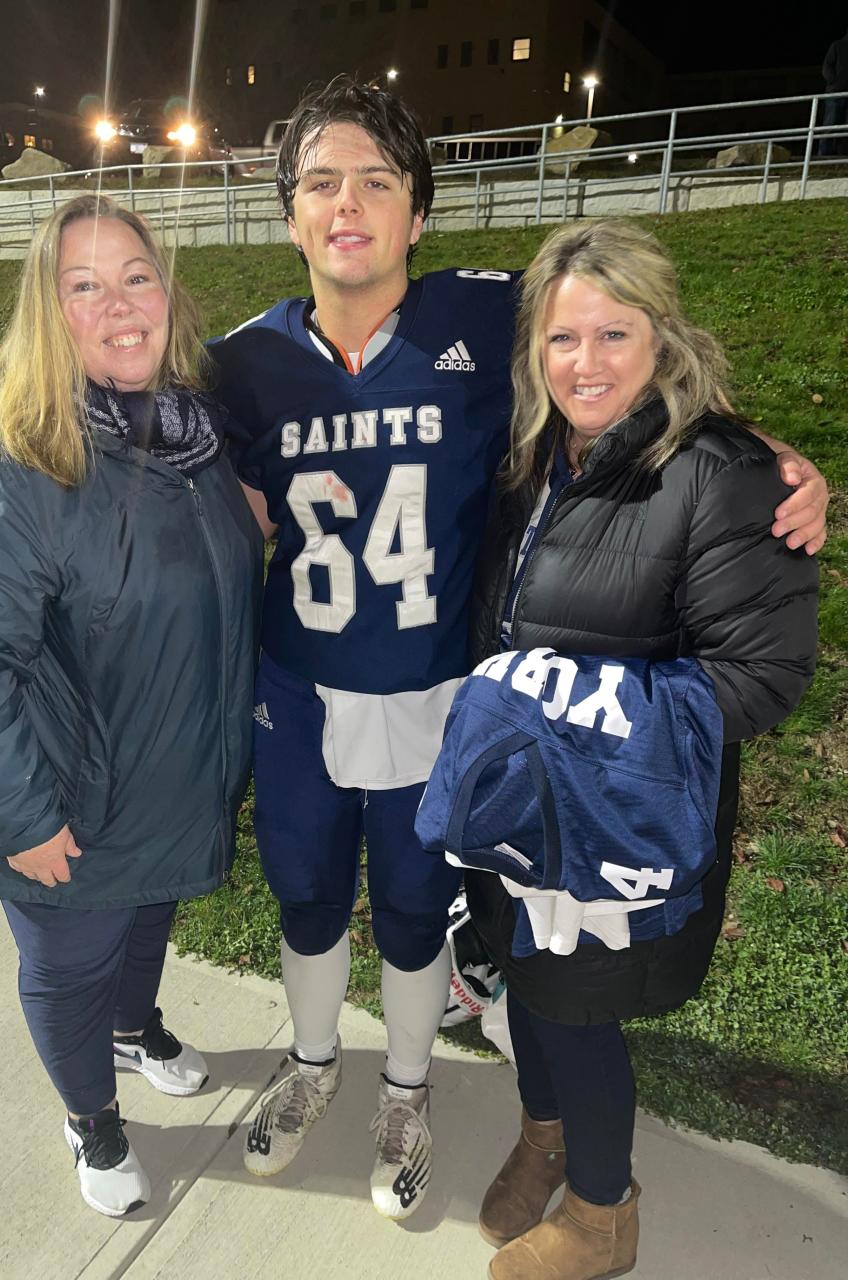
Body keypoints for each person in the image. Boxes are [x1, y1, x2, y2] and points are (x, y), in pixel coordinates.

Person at [208, 76, 828, 1221]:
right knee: (299, 889)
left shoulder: (485, 318)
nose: (349, 204)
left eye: (378, 182)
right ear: (287, 211)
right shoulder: (238, 362)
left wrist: (772, 457)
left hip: (441, 686)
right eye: (322, 182)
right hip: (296, 684)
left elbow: (618, 360)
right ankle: (309, 1064)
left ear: (419, 212)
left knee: (408, 902)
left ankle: (405, 1088)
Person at [454, 218, 818, 1280]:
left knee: (577, 1007)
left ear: (662, 335)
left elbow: (763, 677)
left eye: (614, 335)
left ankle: (605, 1215)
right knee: (528, 980)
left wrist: (572, 720)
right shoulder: (534, 449)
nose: (587, 364)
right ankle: (544, 1129)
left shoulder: (722, 473)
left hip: (615, 811)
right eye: (564, 340)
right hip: (521, 807)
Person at [0, 195, 262, 1218]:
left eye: (137, 276)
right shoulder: (6, 460)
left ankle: (133, 1023)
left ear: (169, 292)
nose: (119, 303)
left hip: (164, 779)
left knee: (145, 924)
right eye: (84, 285)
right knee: (70, 962)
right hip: (62, 798)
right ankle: (90, 1115)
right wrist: (20, 816)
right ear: (45, 311)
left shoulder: (187, 430)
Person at [820, 25, 848, 157]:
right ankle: (824, 154)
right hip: (836, 92)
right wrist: (834, 82)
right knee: (831, 123)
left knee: (845, 126)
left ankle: (842, 153)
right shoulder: (837, 46)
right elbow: (827, 66)